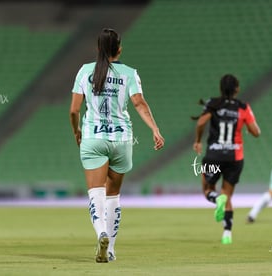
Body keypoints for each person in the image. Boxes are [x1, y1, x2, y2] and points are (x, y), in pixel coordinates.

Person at [69, 28, 165, 263]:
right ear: (119, 49)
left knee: (95, 192)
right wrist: (154, 129)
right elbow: (139, 104)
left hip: (93, 138)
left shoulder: (85, 71)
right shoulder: (129, 73)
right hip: (122, 139)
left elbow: (74, 110)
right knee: (113, 196)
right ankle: (110, 248)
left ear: (98, 49)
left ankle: (100, 231)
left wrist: (77, 130)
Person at [192, 74, 260, 244]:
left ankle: (216, 199)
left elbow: (200, 123)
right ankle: (227, 233)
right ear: (237, 89)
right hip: (235, 157)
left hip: (214, 156)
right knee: (227, 194)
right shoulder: (243, 107)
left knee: (208, 189)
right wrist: (246, 129)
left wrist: (198, 141)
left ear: (220, 89)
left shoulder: (213, 104)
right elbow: (256, 132)